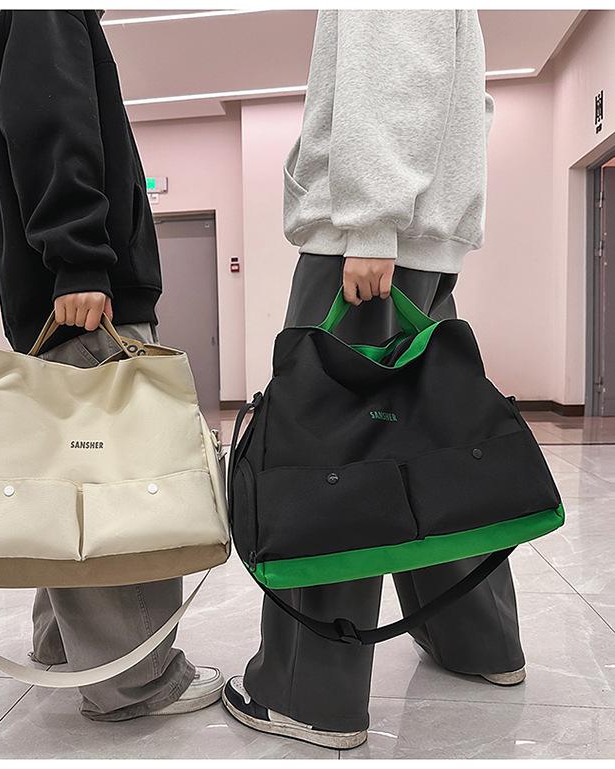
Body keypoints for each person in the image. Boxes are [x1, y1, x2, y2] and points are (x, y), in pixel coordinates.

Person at [222, 10, 524, 749]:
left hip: (367, 245)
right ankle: (478, 642)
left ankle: (309, 696)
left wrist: (370, 225)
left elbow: (389, 67)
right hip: (423, 242)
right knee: (435, 446)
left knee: (328, 464)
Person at [0, 9, 223, 721]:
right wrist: (80, 257)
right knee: (123, 487)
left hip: (64, 303)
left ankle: (63, 645)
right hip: (86, 299)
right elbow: (55, 121)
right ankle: (134, 682)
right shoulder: (48, 10)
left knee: (73, 479)